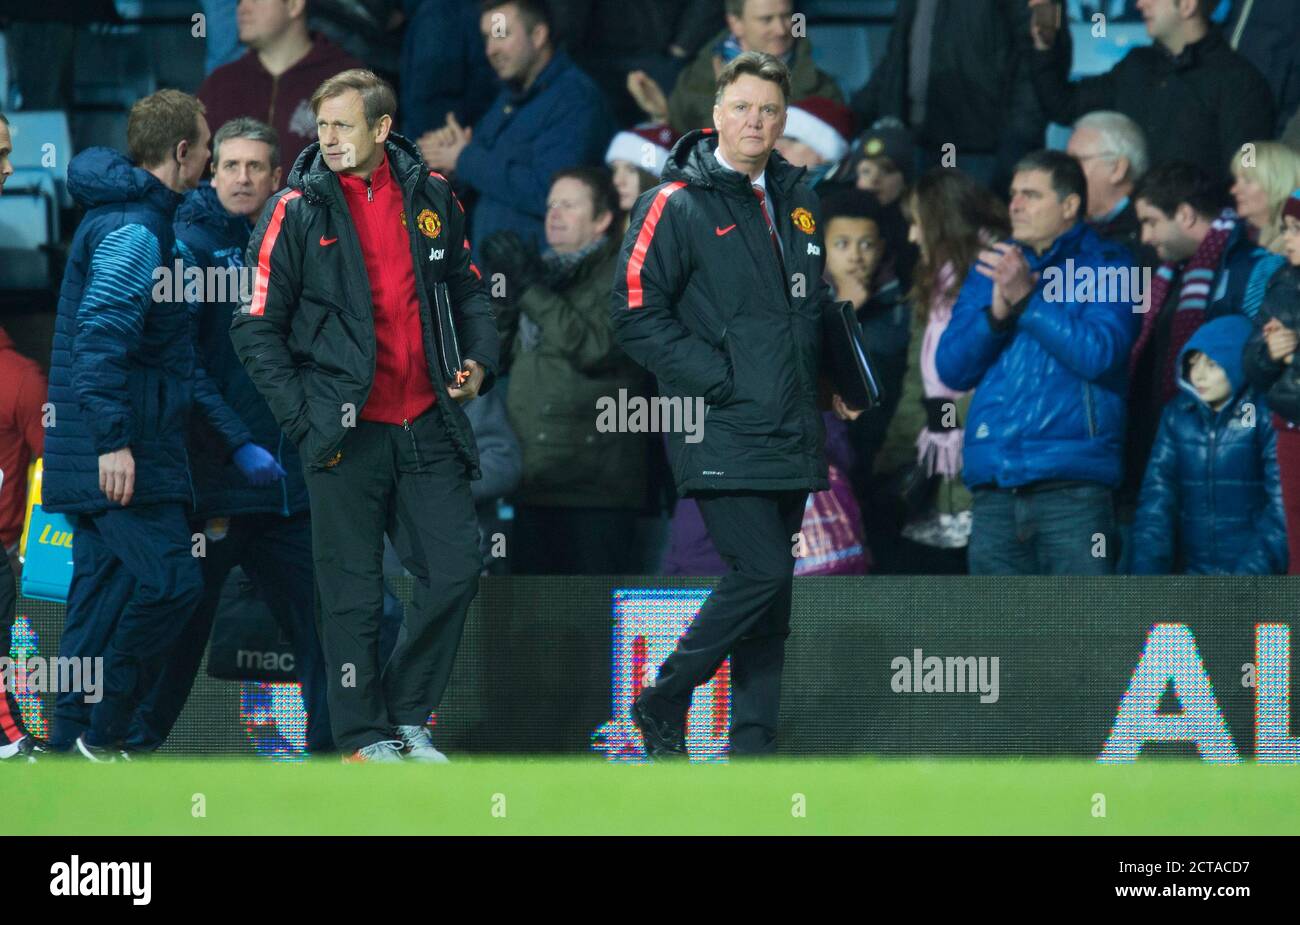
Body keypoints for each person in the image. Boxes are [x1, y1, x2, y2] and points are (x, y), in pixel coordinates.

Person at [230, 70, 499, 763]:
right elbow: (255, 325)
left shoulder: (434, 195)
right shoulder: (294, 209)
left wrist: (480, 362)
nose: (328, 139)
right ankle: (362, 736)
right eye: (321, 126)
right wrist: (304, 418)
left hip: (427, 422)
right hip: (344, 433)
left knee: (456, 570)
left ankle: (406, 714)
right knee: (349, 597)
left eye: (342, 126)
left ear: (381, 129)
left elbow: (470, 292)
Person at [611, 52, 858, 756]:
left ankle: (753, 751)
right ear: (715, 113)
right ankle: (663, 697)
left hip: (791, 423)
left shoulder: (800, 197)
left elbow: (804, 312)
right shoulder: (672, 201)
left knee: (771, 604)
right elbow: (632, 312)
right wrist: (719, 379)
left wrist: (832, 379)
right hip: (717, 423)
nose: (755, 120)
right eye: (743, 107)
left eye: (769, 110)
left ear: (784, 120)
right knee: (763, 572)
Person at [123, 118, 333, 755]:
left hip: (286, 490)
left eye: (256, 167)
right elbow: (183, 368)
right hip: (209, 486)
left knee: (331, 631)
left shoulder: (302, 249)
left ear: (277, 177)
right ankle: (122, 749)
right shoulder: (185, 247)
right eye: (230, 165)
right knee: (177, 634)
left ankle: (335, 763)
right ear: (212, 174)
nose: (243, 177)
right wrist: (238, 442)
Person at [43, 90, 213, 761]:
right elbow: (101, 336)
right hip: (119, 452)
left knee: (100, 595)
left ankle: (65, 743)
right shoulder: (137, 230)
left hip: (108, 447)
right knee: (175, 584)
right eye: (203, 146)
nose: (208, 157)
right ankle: (104, 731)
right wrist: (113, 441)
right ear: (180, 153)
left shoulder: (133, 217)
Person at [936, 150, 1138, 575]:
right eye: (1013, 194)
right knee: (1000, 637)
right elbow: (952, 369)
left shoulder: (1112, 263)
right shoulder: (993, 265)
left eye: (1031, 195)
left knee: (1083, 634)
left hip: (1074, 487)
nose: (1015, 205)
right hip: (994, 486)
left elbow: (1099, 354)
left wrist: (1028, 299)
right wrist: (995, 317)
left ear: (1069, 205)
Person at [480, 167, 650, 574]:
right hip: (535, 480)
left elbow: (595, 347)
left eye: (569, 206)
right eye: (551, 204)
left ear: (602, 219)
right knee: (535, 623)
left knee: (593, 621)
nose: (554, 214)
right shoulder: (540, 270)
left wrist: (529, 290)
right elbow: (491, 359)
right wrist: (503, 289)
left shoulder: (630, 273)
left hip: (596, 487)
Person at [869, 168, 1009, 574]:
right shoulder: (933, 282)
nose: (913, 237)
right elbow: (918, 380)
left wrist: (950, 416)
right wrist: (893, 457)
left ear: (944, 222)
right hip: (936, 475)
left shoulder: (1002, 276)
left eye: (919, 225)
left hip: (987, 470)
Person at [1127, 161, 1285, 514]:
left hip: (1226, 457)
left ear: (1184, 214)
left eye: (1151, 221)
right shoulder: (1165, 276)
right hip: (1166, 447)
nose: (1145, 237)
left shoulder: (1249, 268)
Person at [418, 0, 614, 255]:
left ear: (538, 35)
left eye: (501, 34)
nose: (491, 50)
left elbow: (549, 194)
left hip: (538, 280)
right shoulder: (510, 97)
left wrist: (464, 158)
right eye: (487, 38)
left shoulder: (575, 100)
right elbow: (486, 175)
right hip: (494, 272)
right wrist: (451, 164)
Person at [1027, 0, 1274, 180]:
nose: (1139, 4)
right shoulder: (1136, 66)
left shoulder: (1237, 81)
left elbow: (1245, 173)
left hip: (1199, 241)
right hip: (1128, 234)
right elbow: (1065, 105)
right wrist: (1046, 45)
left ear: (1187, 5)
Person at [1133, 314, 1286, 574]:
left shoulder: (1267, 415)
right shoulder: (1178, 415)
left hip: (1255, 581)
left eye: (1213, 364)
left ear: (1238, 363)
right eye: (1193, 363)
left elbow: (1281, 512)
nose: (1199, 375)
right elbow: (1156, 503)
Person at [851, 0, 1048, 190]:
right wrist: (847, 119)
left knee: (963, 217)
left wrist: (1018, 141)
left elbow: (1037, 63)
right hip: (916, 141)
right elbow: (896, 58)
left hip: (978, 146)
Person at [626, 0, 843, 135]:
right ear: (736, 24)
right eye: (766, 20)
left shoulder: (820, 84)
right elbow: (677, 153)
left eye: (786, 16)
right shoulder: (696, 77)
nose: (780, 29)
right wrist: (661, 117)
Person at [197, 0, 362, 178]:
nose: (242, 8)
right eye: (239, 1)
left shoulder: (348, 82)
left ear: (293, 5)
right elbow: (188, 171)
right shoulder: (220, 83)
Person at [1243, 189, 1300, 572]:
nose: (1287, 240)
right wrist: (1270, 353)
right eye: (1286, 228)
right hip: (1290, 430)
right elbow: (1251, 362)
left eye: (1297, 229)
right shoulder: (1282, 282)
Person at [1066, 110, 1157, 267]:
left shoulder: (1152, 232)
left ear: (1118, 169)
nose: (1065, 172)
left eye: (1077, 162)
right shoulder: (1066, 224)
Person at [605, 124, 680, 237]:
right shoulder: (618, 226)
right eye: (615, 170)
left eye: (631, 170)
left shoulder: (676, 235)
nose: (617, 181)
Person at [1229, 141, 1300, 255]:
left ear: (1279, 183)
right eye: (1236, 180)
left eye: (1247, 181)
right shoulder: (1236, 237)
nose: (1233, 190)